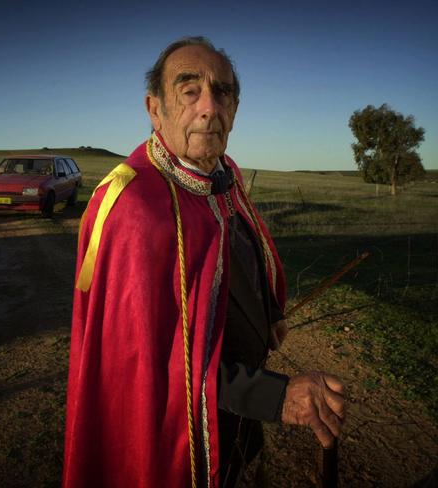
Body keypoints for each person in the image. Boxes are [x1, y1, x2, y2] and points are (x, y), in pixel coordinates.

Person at [63, 36, 345, 488]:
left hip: (237, 415)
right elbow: (148, 364)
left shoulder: (221, 172)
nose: (209, 107)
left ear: (236, 107)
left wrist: (268, 311)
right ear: (155, 108)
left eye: (223, 92)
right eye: (189, 90)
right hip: (184, 428)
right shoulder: (135, 206)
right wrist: (277, 397)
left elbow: (236, 254)